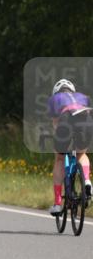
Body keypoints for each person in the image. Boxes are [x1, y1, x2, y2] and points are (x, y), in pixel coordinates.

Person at [48, 78, 92, 215]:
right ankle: (87, 181)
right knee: (81, 154)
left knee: (60, 158)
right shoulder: (83, 97)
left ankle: (57, 203)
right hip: (86, 120)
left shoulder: (55, 98)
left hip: (67, 119)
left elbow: (56, 124)